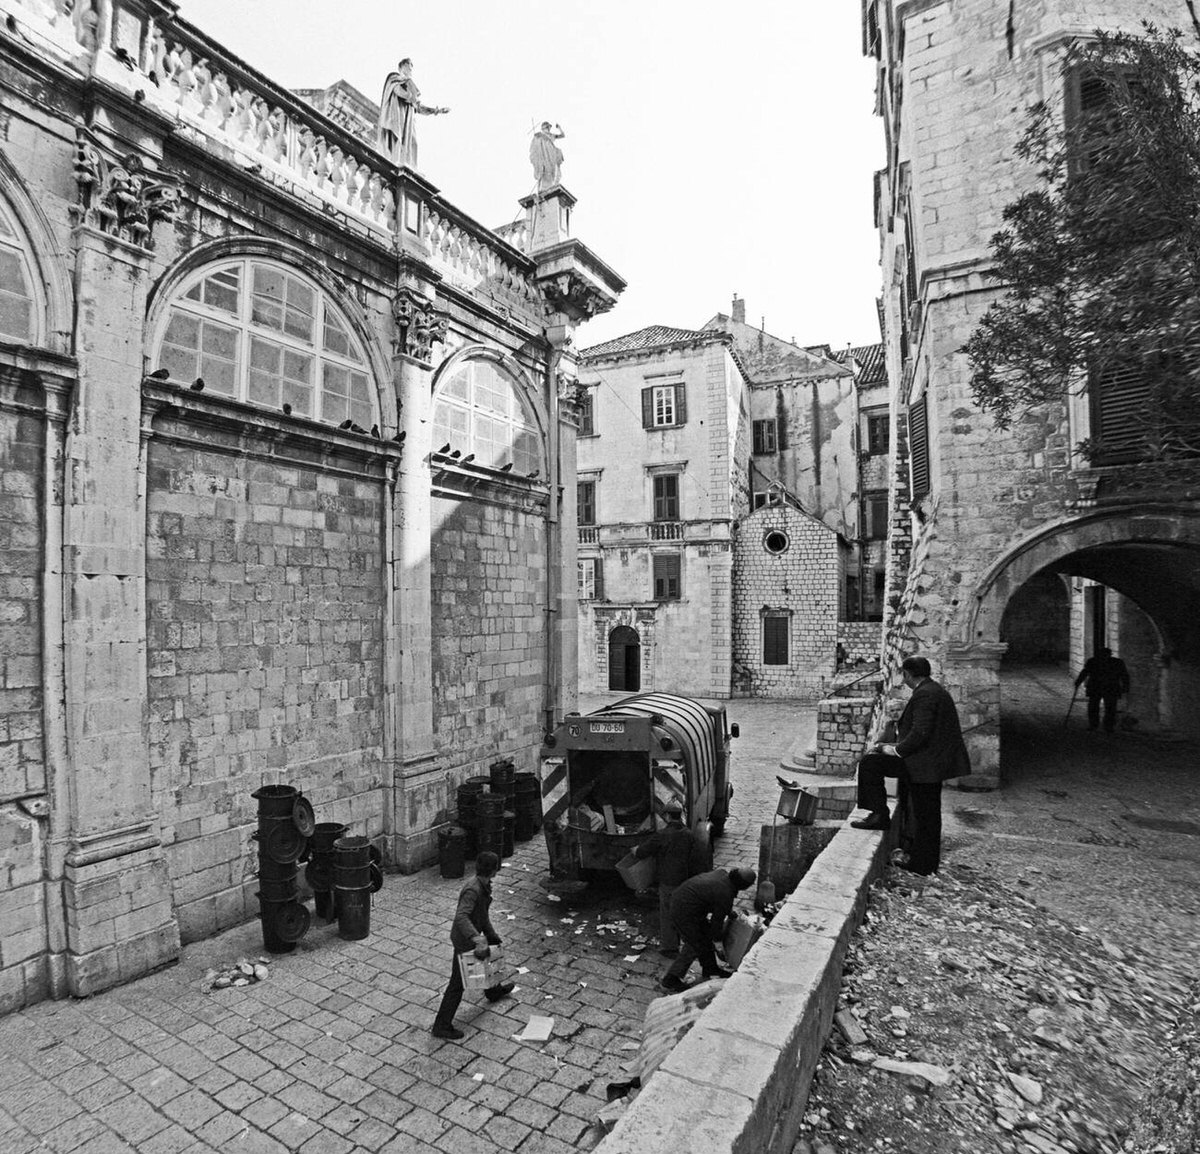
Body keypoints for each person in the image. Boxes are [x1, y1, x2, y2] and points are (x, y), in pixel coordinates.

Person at [851, 655, 971, 876]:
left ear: (907, 674)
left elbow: (920, 732)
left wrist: (895, 750)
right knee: (928, 815)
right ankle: (924, 862)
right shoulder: (934, 691)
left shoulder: (925, 695)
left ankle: (882, 818)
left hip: (924, 765)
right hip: (929, 763)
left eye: (903, 674)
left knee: (871, 763)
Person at [431, 851, 514, 1041]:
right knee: (457, 984)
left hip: (472, 934)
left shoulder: (483, 886)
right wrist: (477, 939)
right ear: (494, 870)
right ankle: (441, 1025)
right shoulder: (473, 890)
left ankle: (493, 991)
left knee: (487, 958)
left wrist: (491, 935)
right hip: (464, 940)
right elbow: (461, 916)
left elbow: (482, 915)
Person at [660, 866, 757, 993]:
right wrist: (718, 943)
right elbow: (716, 923)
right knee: (694, 944)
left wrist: (728, 912)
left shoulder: (722, 874)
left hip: (686, 903)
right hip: (684, 911)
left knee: (704, 936)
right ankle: (670, 980)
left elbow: (714, 897)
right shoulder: (725, 892)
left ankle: (710, 968)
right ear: (743, 885)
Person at [631, 800, 700, 957]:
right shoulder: (689, 834)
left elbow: (642, 852)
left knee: (667, 913)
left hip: (668, 880)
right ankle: (689, 943)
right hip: (684, 879)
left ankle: (670, 948)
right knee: (682, 912)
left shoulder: (661, 835)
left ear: (668, 816)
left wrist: (635, 850)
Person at [377, 59, 449, 169]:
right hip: (398, 116)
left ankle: (409, 168)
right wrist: (411, 96)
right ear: (402, 67)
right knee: (398, 140)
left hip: (408, 121)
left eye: (411, 68)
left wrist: (436, 111)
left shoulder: (409, 85)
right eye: (408, 66)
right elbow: (397, 91)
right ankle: (396, 164)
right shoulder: (394, 78)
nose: (410, 69)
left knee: (413, 143)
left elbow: (419, 107)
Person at [1075, 647, 1130, 733]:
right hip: (1108, 688)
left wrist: (1078, 682)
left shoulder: (1093, 661)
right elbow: (1124, 675)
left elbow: (1085, 672)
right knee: (1109, 708)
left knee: (1097, 707)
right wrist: (1126, 686)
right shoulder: (1117, 662)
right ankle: (1107, 726)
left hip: (1098, 687)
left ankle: (1096, 725)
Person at [529, 121, 565, 191]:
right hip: (544, 154)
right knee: (545, 170)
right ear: (543, 128)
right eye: (547, 127)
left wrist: (559, 128)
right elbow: (535, 147)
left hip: (552, 153)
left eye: (549, 128)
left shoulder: (551, 135)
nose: (548, 129)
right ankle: (544, 187)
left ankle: (553, 185)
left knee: (554, 169)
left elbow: (562, 135)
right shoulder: (539, 136)